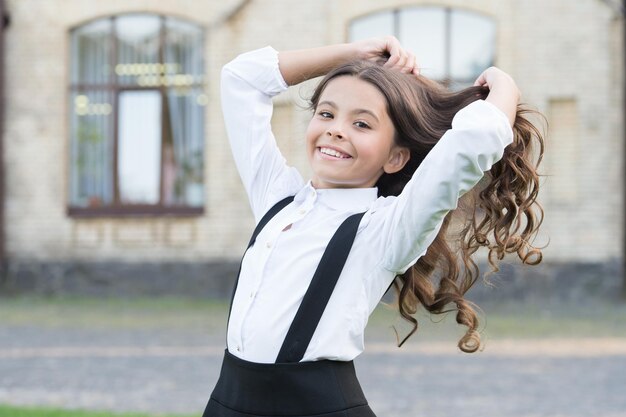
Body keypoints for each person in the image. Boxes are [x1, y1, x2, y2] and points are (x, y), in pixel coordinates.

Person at [203, 36, 545, 417]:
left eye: (362, 123)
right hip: (226, 402)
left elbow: (469, 144)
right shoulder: (276, 198)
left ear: (396, 157)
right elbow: (241, 79)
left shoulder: (387, 228)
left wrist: (504, 85)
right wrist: (351, 54)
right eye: (326, 114)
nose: (335, 129)